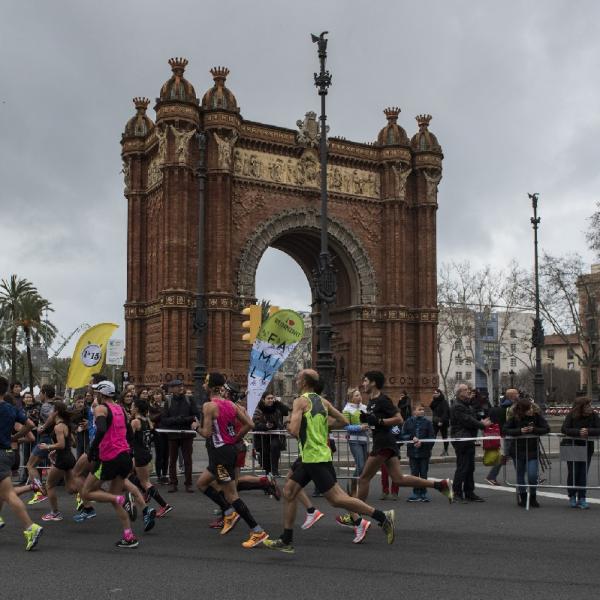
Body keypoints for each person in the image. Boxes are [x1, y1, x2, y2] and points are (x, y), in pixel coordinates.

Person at [264, 369, 396, 553]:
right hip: (316, 455)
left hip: (313, 458)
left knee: (336, 500)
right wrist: (321, 428)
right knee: (289, 491)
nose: (296, 379)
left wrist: (290, 424)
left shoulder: (300, 401)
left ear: (304, 382)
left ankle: (382, 517)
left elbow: (293, 430)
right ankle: (286, 539)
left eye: (299, 377)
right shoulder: (323, 402)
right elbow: (343, 420)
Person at [337, 371, 452, 529]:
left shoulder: (383, 400)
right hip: (385, 442)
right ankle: (440, 485)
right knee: (399, 479)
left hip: (383, 443)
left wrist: (378, 421)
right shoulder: (370, 401)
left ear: (373, 383)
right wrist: (369, 420)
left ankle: (356, 517)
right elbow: (374, 422)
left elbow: (399, 419)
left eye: (365, 381)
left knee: (363, 479)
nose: (362, 383)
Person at [194, 372, 269, 549]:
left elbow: (206, 433)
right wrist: (235, 438)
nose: (203, 385)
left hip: (220, 454)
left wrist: (195, 426)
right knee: (202, 484)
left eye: (205, 382)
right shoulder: (230, 404)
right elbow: (249, 424)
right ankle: (228, 512)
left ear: (211, 387)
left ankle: (257, 530)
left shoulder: (209, 406)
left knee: (231, 495)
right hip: (225, 452)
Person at [81, 380, 140, 548]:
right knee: (114, 501)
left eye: (96, 393)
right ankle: (129, 536)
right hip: (124, 457)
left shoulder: (101, 408)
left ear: (101, 394)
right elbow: (129, 433)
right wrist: (129, 451)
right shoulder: (121, 409)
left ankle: (119, 497)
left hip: (109, 458)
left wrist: (93, 449)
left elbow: (100, 429)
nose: (95, 396)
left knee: (86, 493)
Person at [0, 376, 43, 550]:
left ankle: (30, 527)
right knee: (3, 491)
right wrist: (15, 437)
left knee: (8, 494)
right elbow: (30, 425)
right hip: (8, 452)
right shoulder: (11, 408)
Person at [503, 397, 550, 508]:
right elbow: (505, 429)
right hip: (517, 450)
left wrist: (534, 430)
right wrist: (520, 431)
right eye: (528, 408)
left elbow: (546, 428)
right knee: (520, 474)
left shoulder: (536, 416)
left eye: (531, 408)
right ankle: (523, 497)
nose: (531, 410)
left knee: (532, 475)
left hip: (532, 450)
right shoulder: (514, 418)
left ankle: (533, 496)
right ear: (522, 410)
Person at [130, 398, 173, 518]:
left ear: (137, 408)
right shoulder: (147, 420)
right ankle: (146, 492)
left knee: (145, 482)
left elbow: (129, 438)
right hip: (146, 452)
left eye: (133, 406)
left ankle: (164, 505)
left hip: (140, 454)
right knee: (128, 473)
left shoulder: (135, 422)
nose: (131, 408)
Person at [450, 383, 490, 502]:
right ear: (459, 393)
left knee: (470, 467)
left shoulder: (468, 405)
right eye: (466, 390)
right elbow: (467, 420)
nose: (469, 391)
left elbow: (473, 417)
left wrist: (482, 420)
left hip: (469, 438)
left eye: (468, 389)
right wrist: (482, 425)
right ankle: (456, 493)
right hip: (462, 438)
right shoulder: (457, 406)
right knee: (463, 467)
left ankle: (469, 492)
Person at [39, 401, 78, 522]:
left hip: (63, 460)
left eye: (51, 410)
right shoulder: (65, 424)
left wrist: (48, 447)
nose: (49, 413)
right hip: (69, 458)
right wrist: (55, 451)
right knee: (71, 489)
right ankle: (88, 493)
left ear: (56, 412)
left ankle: (55, 513)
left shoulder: (58, 426)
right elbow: (72, 442)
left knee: (49, 485)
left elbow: (61, 444)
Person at [560, 397, 600, 509]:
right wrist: (578, 432)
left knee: (583, 473)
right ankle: (572, 496)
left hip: (586, 447)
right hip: (571, 445)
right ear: (581, 407)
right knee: (573, 472)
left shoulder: (594, 415)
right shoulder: (571, 415)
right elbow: (564, 429)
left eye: (590, 405)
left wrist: (588, 431)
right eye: (588, 405)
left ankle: (582, 498)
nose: (590, 407)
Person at [161, 379, 199, 493]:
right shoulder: (168, 401)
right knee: (172, 460)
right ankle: (173, 483)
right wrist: (178, 420)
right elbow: (164, 419)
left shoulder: (189, 399)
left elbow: (195, 415)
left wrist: (185, 420)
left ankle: (188, 483)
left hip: (187, 434)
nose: (181, 387)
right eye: (177, 386)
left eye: (181, 385)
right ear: (172, 389)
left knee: (188, 460)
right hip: (173, 434)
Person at [25, 384, 56, 504]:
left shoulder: (46, 406)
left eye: (40, 393)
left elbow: (52, 417)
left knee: (30, 465)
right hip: (50, 439)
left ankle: (39, 492)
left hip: (46, 439)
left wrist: (43, 427)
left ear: (45, 393)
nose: (39, 395)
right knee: (64, 470)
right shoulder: (55, 405)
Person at [402, 403, 435, 501]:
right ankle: (416, 493)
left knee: (424, 473)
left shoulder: (428, 423)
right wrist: (412, 439)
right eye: (419, 409)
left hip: (424, 452)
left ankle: (423, 493)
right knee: (414, 473)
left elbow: (432, 437)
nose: (422, 411)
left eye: (423, 409)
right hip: (412, 452)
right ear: (414, 411)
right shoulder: (408, 422)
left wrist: (422, 443)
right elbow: (403, 435)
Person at [485, 389, 517, 485]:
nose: (518, 395)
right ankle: (532, 478)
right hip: (509, 435)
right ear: (512, 396)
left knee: (512, 456)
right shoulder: (512, 408)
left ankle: (491, 476)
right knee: (514, 456)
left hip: (502, 435)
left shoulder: (497, 408)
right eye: (517, 394)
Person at [252, 391, 289, 477]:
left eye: (272, 398)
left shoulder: (277, 407)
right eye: (268, 398)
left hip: (276, 435)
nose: (271, 400)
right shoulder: (259, 409)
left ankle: (275, 472)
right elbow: (255, 424)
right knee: (265, 457)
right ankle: (268, 473)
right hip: (263, 438)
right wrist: (266, 426)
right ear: (263, 400)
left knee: (275, 448)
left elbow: (286, 411)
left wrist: (278, 402)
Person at [342, 388, 369, 496]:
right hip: (354, 440)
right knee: (361, 465)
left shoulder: (364, 407)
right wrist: (359, 427)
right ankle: (352, 485)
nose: (359, 397)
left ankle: (357, 488)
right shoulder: (347, 409)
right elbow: (346, 426)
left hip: (365, 439)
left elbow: (368, 421)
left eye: (359, 395)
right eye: (357, 395)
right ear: (351, 398)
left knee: (364, 467)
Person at [149, 388, 168, 484]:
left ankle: (165, 474)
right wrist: (162, 412)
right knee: (159, 454)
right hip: (157, 432)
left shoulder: (167, 405)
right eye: (155, 394)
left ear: (162, 395)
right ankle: (159, 475)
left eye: (158, 394)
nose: (156, 396)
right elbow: (152, 418)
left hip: (167, 432)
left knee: (166, 454)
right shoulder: (152, 406)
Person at [430, 389, 450, 456]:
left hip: (443, 422)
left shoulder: (444, 402)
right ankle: (429, 450)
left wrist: (441, 421)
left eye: (436, 393)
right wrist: (433, 399)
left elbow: (445, 412)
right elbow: (432, 407)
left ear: (439, 393)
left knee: (444, 436)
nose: (435, 394)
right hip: (435, 421)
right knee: (433, 436)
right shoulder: (435, 401)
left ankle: (446, 450)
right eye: (434, 393)